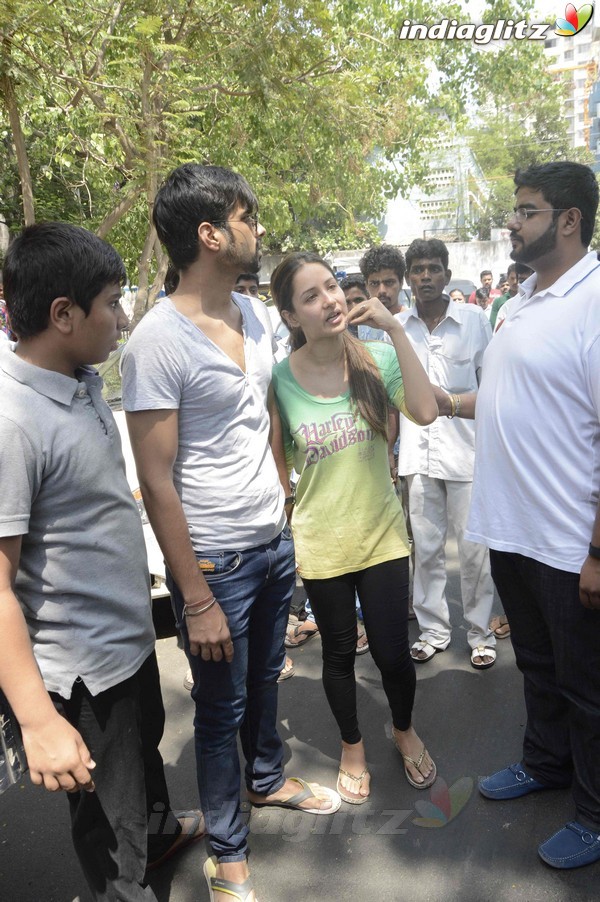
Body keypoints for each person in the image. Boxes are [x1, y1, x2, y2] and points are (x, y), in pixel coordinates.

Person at [121, 164, 340, 902]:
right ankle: (227, 849)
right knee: (221, 712)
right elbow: (156, 480)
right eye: (247, 217)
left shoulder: (252, 315)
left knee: (263, 685)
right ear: (210, 235)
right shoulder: (157, 342)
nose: (258, 230)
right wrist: (195, 595)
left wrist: (283, 503)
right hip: (214, 562)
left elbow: (263, 417)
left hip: (272, 545)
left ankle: (269, 779)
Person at [0, 223, 202, 902]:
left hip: (127, 644)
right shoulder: (12, 421)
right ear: (63, 315)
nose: (122, 318)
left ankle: (161, 832)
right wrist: (37, 721)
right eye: (113, 303)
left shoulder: (80, 377)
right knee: (110, 833)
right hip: (81, 674)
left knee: (141, 767)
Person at [467, 161, 600, 870]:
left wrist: (599, 553)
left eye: (526, 212)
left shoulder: (595, 298)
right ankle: (546, 764)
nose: (513, 225)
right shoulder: (520, 298)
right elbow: (510, 396)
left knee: (589, 686)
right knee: (539, 668)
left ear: (568, 220)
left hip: (568, 538)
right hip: (514, 529)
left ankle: (596, 812)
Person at [270, 251, 438, 806]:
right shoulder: (280, 379)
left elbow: (424, 411)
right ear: (292, 316)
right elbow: (279, 467)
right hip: (322, 542)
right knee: (339, 654)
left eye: (331, 288)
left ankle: (404, 729)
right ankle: (352, 746)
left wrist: (393, 327)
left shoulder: (377, 358)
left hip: (382, 534)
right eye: (311, 296)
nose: (330, 301)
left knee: (392, 652)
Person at [392, 238, 496, 669]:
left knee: (474, 552)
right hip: (417, 456)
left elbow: (492, 390)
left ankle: (480, 632)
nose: (426, 277)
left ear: (447, 276)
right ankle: (434, 629)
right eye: (417, 270)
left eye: (434, 269)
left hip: (467, 457)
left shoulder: (474, 322)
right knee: (428, 549)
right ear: (409, 279)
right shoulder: (397, 327)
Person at [358, 244, 408, 340]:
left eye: (389, 282)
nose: (382, 291)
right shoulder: (364, 324)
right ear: (366, 286)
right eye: (374, 284)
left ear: (401, 283)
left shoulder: (412, 323)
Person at [488, 262, 533, 331]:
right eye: (512, 278)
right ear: (508, 279)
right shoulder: (506, 305)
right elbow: (495, 327)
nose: (515, 282)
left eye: (518, 279)